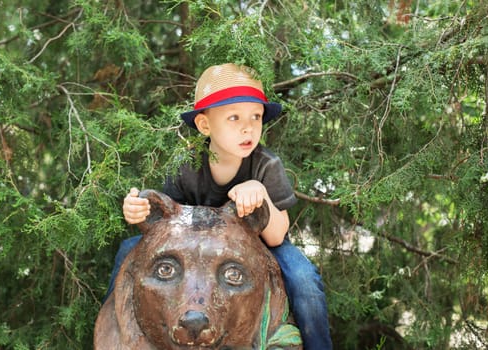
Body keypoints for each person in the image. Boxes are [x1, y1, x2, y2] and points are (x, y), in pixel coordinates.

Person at [106, 63, 332, 350]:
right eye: (234, 117)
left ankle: (318, 345)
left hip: (261, 246)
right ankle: (114, 333)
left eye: (256, 116)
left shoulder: (266, 165)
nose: (248, 127)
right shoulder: (186, 165)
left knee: (303, 279)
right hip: (195, 256)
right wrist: (137, 210)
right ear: (204, 125)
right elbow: (163, 227)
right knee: (129, 250)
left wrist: (260, 192)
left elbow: (276, 236)